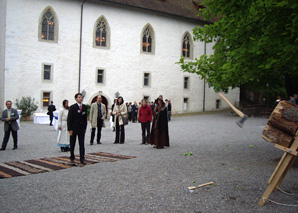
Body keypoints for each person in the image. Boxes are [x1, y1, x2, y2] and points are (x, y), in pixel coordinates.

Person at [67, 93, 88, 165]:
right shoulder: (72, 107)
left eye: (81, 97)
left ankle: (82, 158)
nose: (80, 98)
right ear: (76, 99)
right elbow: (69, 119)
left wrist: (85, 128)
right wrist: (70, 129)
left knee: (82, 144)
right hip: (74, 128)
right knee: (72, 144)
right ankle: (72, 157)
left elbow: (85, 119)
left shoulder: (84, 107)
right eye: (79, 97)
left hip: (81, 129)